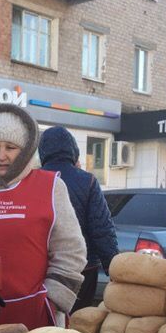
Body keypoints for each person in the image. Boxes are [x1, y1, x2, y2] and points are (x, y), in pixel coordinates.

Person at [0, 104, 87, 330]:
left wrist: (53, 300)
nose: (2, 156)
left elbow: (71, 251)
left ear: (24, 150)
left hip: (35, 317)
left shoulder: (51, 186)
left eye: (10, 147)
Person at [39, 126, 118, 312]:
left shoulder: (34, 181)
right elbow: (102, 229)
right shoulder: (87, 181)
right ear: (74, 151)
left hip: (44, 268)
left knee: (47, 323)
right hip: (83, 268)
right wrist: (114, 272)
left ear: (42, 152)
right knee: (79, 325)